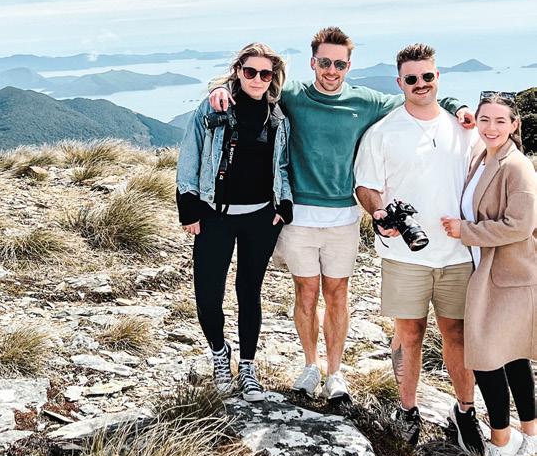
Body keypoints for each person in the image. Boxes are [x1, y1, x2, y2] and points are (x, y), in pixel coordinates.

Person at [209, 27, 473, 401]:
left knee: (337, 295)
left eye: (339, 64)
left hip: (344, 217)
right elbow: (252, 85)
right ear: (312, 62)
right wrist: (220, 90)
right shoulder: (292, 95)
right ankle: (310, 366)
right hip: (299, 217)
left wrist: (457, 106)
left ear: (349, 65)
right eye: (325, 62)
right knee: (305, 293)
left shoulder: (365, 101)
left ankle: (335, 373)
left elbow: (418, 95)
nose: (331, 70)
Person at [354, 44, 484, 455]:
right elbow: (366, 186)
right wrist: (378, 213)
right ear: (400, 83)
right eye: (412, 78)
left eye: (427, 76)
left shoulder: (464, 129)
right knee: (408, 333)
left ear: (437, 77)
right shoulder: (383, 132)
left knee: (457, 334)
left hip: (458, 254)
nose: (421, 84)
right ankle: (407, 409)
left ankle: (465, 412)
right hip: (404, 255)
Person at [176, 43, 293, 401]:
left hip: (261, 218)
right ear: (238, 71)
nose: (257, 79)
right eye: (250, 71)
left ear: (273, 77)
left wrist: (284, 204)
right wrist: (189, 207)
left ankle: (247, 366)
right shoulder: (214, 107)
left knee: (249, 293)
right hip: (215, 216)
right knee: (207, 295)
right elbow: (190, 154)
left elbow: (282, 165)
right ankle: (218, 351)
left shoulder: (278, 116)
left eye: (265, 73)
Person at [442, 93, 537, 456]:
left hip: (508, 276)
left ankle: (501, 442)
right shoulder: (483, 155)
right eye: (485, 119)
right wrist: (455, 107)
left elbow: (521, 225)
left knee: (484, 357)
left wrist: (466, 231)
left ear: (514, 124)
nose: (491, 127)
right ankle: (531, 432)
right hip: (491, 271)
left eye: (500, 121)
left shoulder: (517, 166)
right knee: (512, 355)